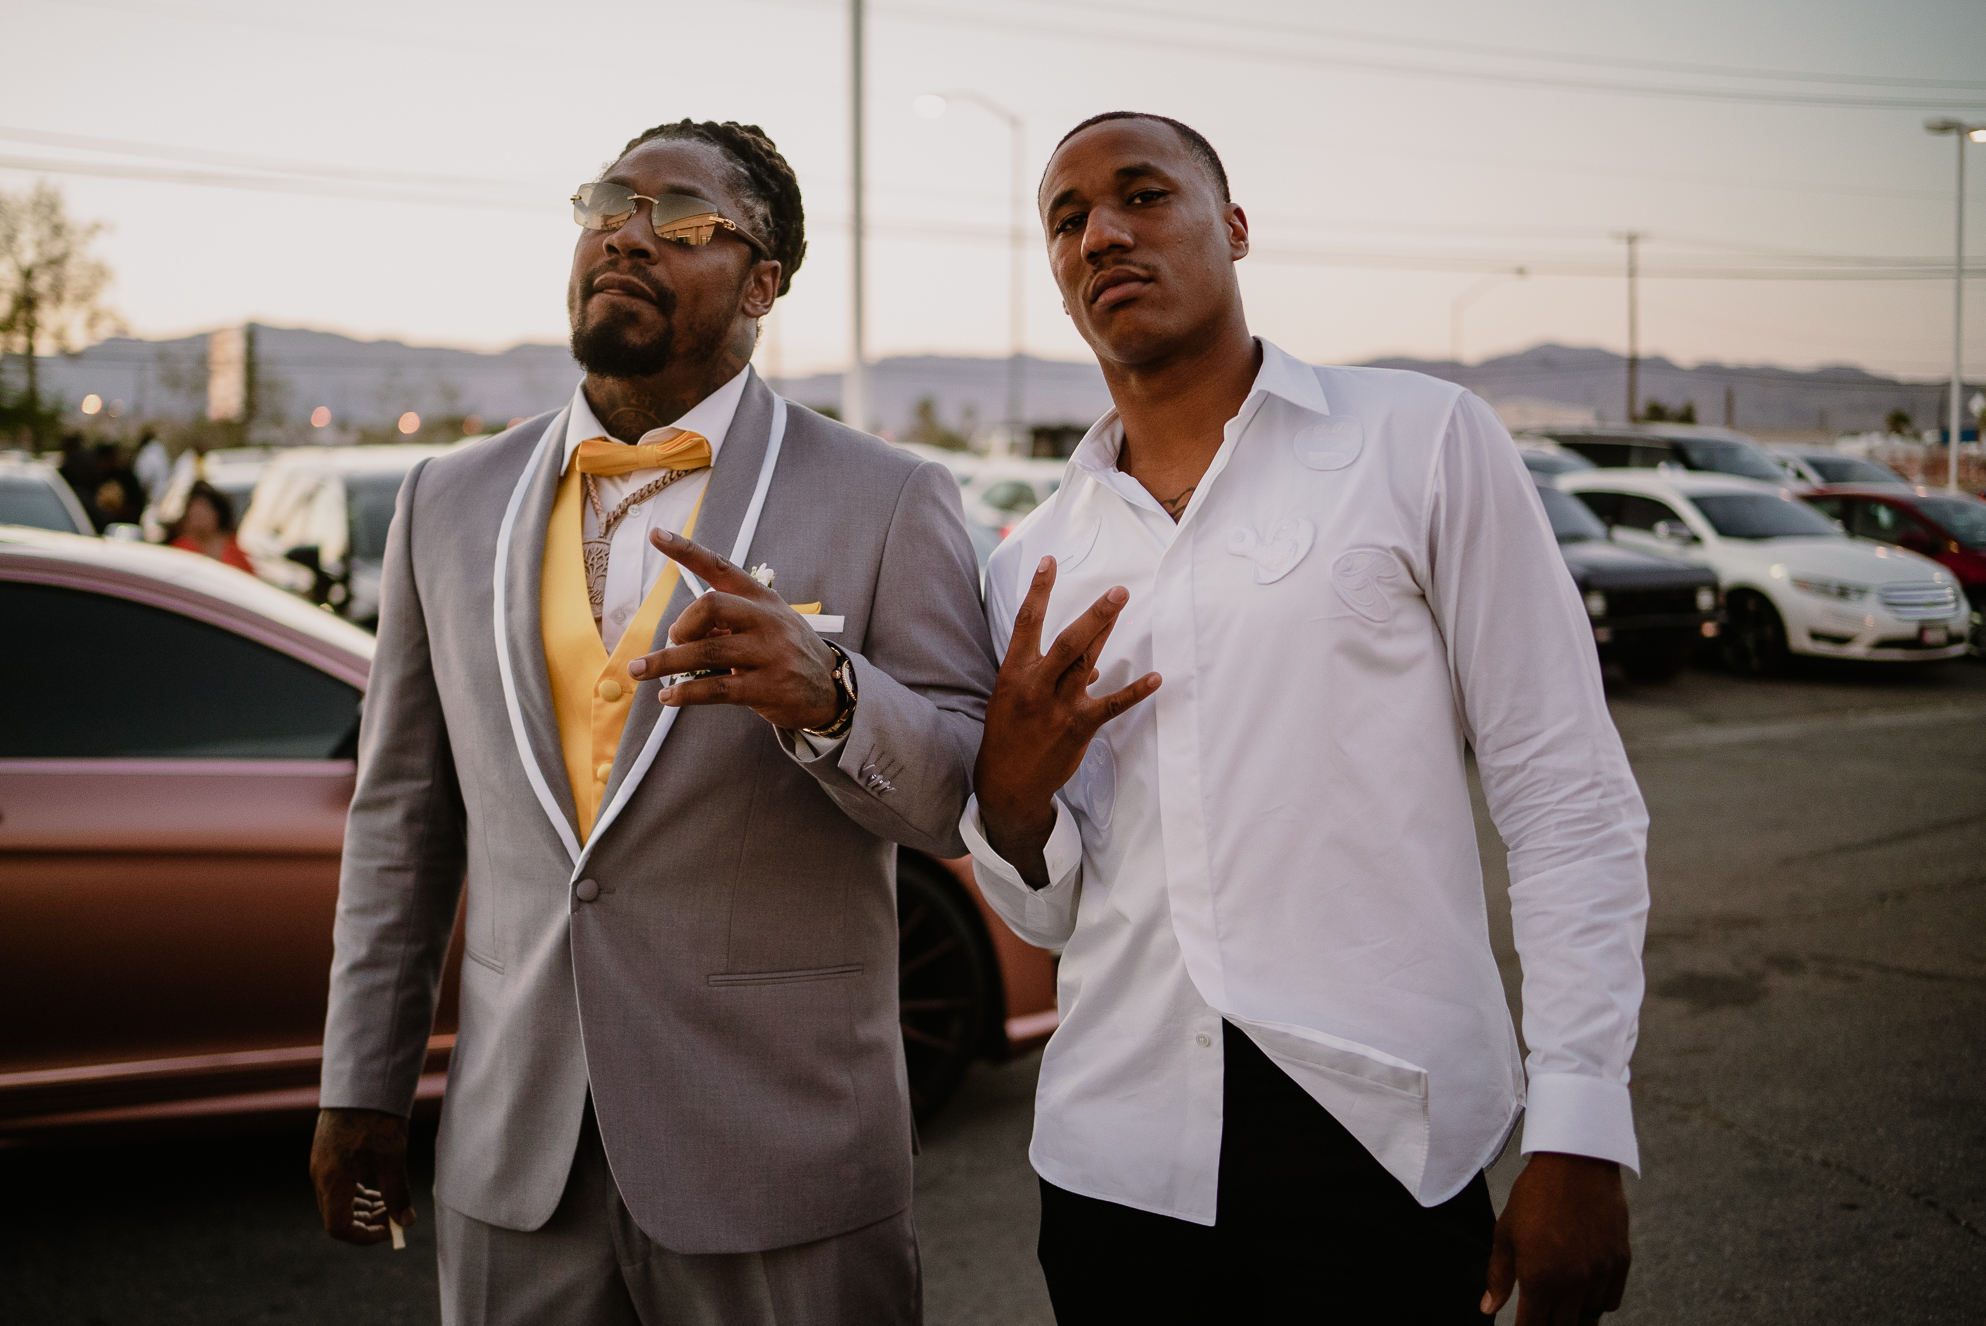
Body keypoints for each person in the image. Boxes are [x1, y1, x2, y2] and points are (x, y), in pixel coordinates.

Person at [964, 112, 1647, 1324]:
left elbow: (1565, 794)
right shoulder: (1034, 564)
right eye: (1066, 220)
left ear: (1233, 227)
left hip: (1379, 1145)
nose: (1102, 233)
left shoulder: (1419, 441)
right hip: (1115, 1169)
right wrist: (1009, 807)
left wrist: (1581, 1124)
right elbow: (1048, 910)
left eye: (1143, 195)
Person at [310, 119, 995, 1325]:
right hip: (517, 1158)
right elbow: (402, 824)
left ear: (762, 284)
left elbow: (957, 799)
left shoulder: (888, 497)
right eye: (607, 204)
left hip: (781, 1158)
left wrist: (835, 698)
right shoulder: (447, 500)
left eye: (679, 219)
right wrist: (360, 1080)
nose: (627, 234)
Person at [166, 479, 252, 571]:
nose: (199, 521)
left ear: (217, 514)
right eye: (194, 515)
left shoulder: (237, 545)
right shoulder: (180, 550)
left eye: (202, 514)